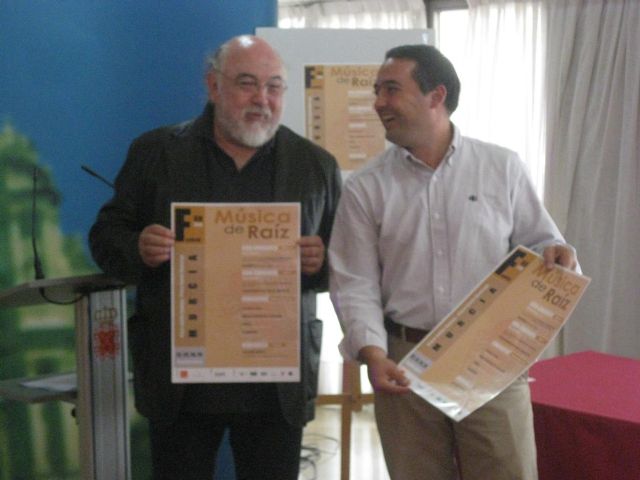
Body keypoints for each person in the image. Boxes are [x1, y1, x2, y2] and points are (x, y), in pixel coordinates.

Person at [89, 35, 341, 480]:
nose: (262, 99)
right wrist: (138, 248)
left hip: (275, 383)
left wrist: (321, 261)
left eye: (274, 86)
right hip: (180, 381)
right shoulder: (156, 152)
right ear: (213, 85)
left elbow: (345, 262)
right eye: (247, 83)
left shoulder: (314, 164)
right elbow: (106, 237)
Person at [328, 44, 578, 480]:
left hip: (491, 356)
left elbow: (542, 244)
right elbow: (355, 282)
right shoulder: (366, 187)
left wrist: (557, 253)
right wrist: (373, 354)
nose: (379, 103)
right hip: (403, 360)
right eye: (377, 91)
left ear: (436, 96)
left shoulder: (501, 167)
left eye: (391, 89)